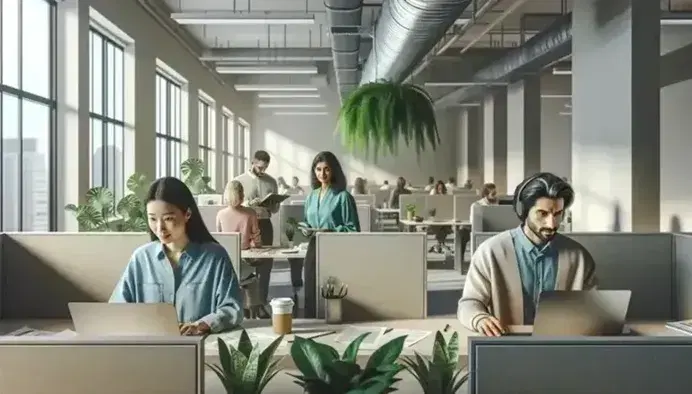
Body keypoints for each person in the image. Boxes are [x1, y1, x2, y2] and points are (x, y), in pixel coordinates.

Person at [457, 172, 597, 336]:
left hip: (562, 346)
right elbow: (469, 303)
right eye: (542, 214)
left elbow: (592, 311)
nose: (552, 224)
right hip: (508, 345)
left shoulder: (579, 257)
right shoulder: (491, 252)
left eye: (558, 214)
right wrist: (479, 318)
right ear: (523, 211)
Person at [110, 177, 243, 335]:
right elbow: (117, 308)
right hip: (150, 350)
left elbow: (232, 308)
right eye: (152, 219)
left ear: (187, 214)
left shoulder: (215, 257)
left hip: (199, 350)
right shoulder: (141, 258)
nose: (160, 228)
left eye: (168, 219)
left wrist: (201, 325)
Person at [291, 151, 360, 317]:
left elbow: (354, 230)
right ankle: (311, 323)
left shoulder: (343, 197)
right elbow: (308, 221)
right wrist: (304, 228)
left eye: (327, 169)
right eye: (318, 169)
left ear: (334, 170)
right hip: (314, 247)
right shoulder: (311, 196)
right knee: (310, 288)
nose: (322, 174)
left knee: (332, 290)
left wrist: (332, 231)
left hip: (335, 249)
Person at [233, 150, 280, 316]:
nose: (262, 171)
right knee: (246, 263)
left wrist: (273, 204)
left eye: (265, 168)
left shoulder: (271, 182)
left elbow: (275, 209)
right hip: (246, 223)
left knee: (266, 264)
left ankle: (262, 302)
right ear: (252, 162)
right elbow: (233, 204)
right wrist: (249, 204)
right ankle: (247, 305)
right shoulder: (239, 180)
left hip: (265, 223)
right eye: (259, 167)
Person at [216, 180, 261, 249]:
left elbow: (219, 239)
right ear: (242, 195)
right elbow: (257, 241)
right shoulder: (251, 213)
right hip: (245, 253)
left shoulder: (220, 214)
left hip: (228, 253)